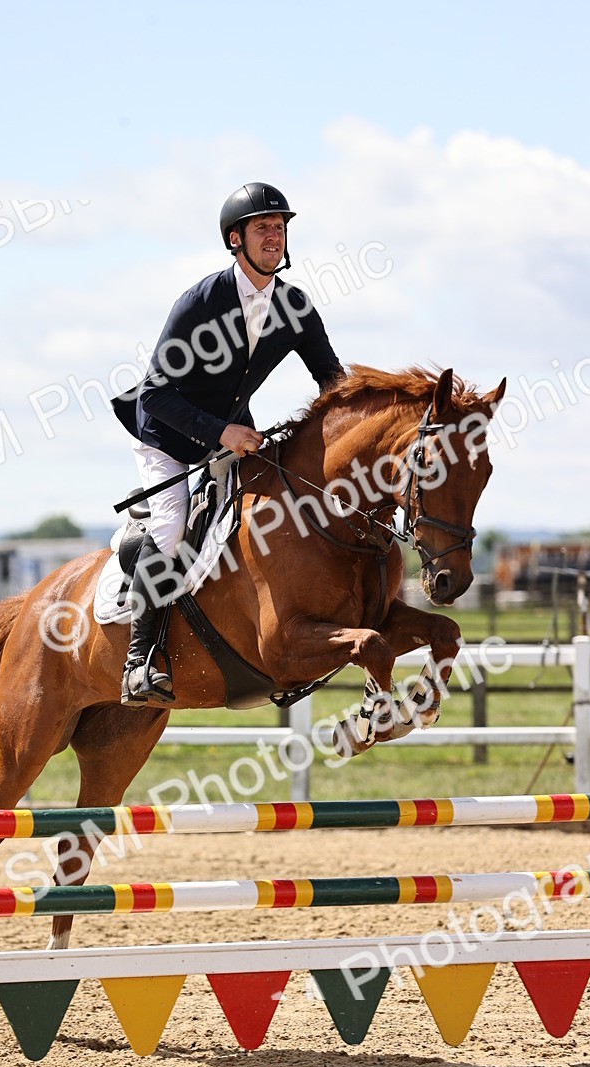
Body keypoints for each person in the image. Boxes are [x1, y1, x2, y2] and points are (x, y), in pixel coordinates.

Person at [112, 182, 342, 706]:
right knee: (171, 527)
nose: (274, 235)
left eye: (280, 227)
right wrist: (222, 432)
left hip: (232, 432)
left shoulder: (294, 306)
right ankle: (138, 661)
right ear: (234, 239)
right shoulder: (199, 302)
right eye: (263, 227)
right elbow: (155, 393)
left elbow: (333, 380)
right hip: (165, 433)